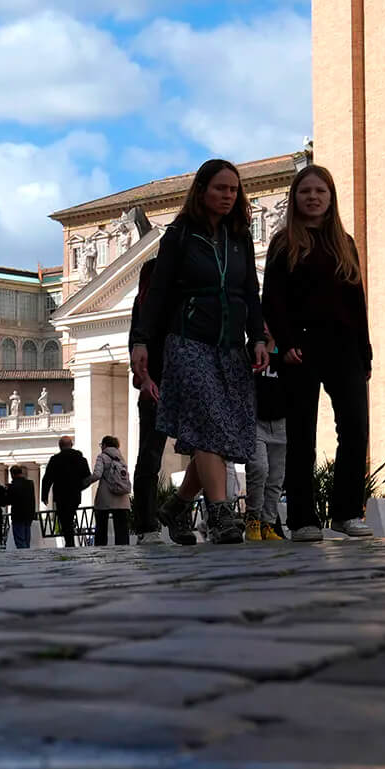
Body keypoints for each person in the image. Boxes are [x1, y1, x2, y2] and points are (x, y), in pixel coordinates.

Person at [132, 158, 271, 546]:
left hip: (230, 348)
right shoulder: (178, 235)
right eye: (219, 188)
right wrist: (142, 342)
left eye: (233, 189)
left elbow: (249, 292)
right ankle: (222, 515)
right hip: (188, 343)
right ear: (202, 191)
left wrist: (257, 335)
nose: (227, 196)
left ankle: (176, 506)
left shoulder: (240, 236)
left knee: (223, 433)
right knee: (210, 424)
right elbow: (156, 295)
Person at [264, 163, 374, 542]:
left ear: (331, 198)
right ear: (295, 198)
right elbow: (272, 301)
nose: (313, 197)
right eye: (306, 191)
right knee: (301, 436)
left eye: (320, 191)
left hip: (345, 348)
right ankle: (303, 519)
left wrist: (366, 352)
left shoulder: (346, 243)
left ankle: (346, 512)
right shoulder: (283, 244)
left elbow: (356, 301)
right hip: (301, 349)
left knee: (356, 429)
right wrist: (285, 344)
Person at [126, 259, 176, 544]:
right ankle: (147, 523)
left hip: (167, 381)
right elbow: (136, 343)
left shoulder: (148, 304)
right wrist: (145, 380)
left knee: (150, 456)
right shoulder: (144, 306)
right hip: (156, 383)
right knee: (150, 456)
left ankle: (157, 518)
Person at [243, 359, 289, 542]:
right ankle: (253, 518)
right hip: (256, 423)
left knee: (276, 477)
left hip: (281, 423)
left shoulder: (285, 351)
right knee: (259, 469)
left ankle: (268, 523)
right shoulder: (252, 351)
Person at [41, 437, 91, 548]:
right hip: (75, 494)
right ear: (71, 444)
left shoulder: (55, 459)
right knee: (69, 516)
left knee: (65, 519)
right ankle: (70, 542)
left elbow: (47, 478)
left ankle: (69, 542)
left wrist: (44, 495)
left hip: (61, 494)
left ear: (60, 446)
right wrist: (80, 487)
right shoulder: (81, 459)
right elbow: (88, 477)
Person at [91, 436, 132, 546]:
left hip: (105, 498)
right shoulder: (121, 458)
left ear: (104, 445)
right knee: (122, 530)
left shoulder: (102, 457)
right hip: (122, 499)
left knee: (101, 528)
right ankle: (123, 552)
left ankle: (101, 551)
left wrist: (84, 483)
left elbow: (97, 474)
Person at [5, 466, 36, 549]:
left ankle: (23, 555)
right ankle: (27, 553)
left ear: (12, 474)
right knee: (26, 537)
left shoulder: (13, 486)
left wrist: (7, 490)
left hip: (18, 514)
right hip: (29, 513)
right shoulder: (30, 483)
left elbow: (8, 501)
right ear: (21, 472)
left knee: (20, 539)